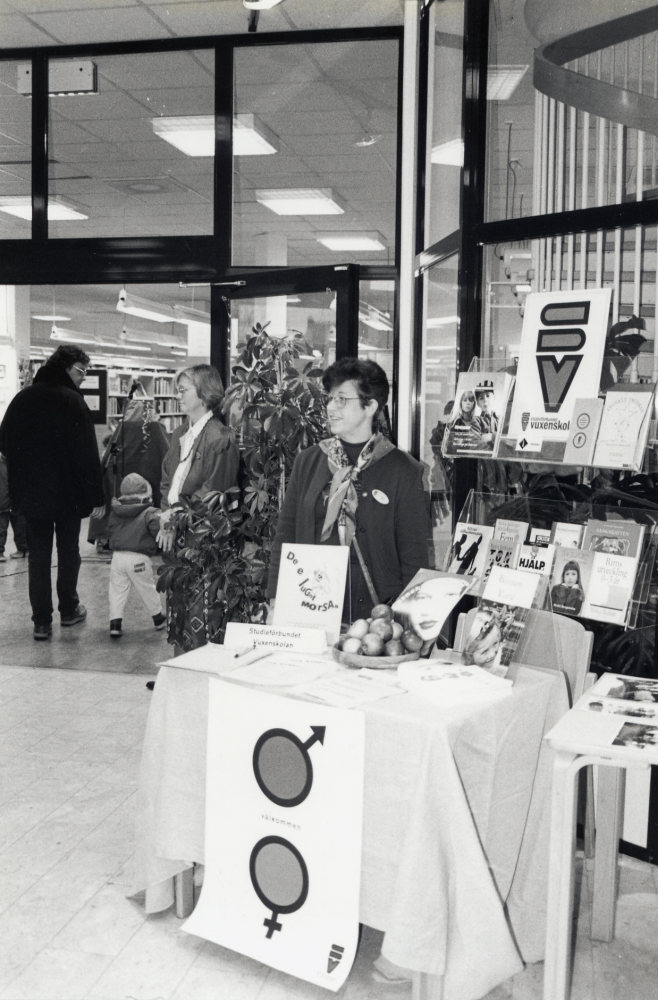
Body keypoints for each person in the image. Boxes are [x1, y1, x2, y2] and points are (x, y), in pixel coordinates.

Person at [266, 357, 430, 623]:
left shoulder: (403, 471)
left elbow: (413, 555)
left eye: (342, 399)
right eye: (330, 398)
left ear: (370, 406)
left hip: (377, 616)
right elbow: (285, 533)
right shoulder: (309, 461)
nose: (331, 407)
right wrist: (275, 599)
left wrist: (410, 622)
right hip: (310, 604)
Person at [0, 345, 105, 640]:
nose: (84, 377)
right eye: (81, 371)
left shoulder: (23, 399)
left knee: (38, 556)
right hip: (68, 494)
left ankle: (41, 622)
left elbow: (4, 443)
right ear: (67, 368)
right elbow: (87, 454)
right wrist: (96, 495)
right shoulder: (73, 401)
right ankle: (69, 610)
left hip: (32, 494)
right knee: (69, 551)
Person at [157, 364, 240, 553]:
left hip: (205, 538)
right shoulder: (179, 433)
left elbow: (213, 493)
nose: (178, 396)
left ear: (204, 393)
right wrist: (167, 515)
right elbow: (167, 479)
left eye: (183, 390)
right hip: (176, 530)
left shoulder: (221, 437)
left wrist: (174, 518)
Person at [107, 473, 165, 639]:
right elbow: (157, 533)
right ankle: (158, 618)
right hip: (139, 559)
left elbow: (109, 530)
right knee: (147, 588)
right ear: (146, 493)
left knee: (117, 591)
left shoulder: (115, 512)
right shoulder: (150, 513)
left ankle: (115, 624)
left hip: (117, 558)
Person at [0, 454, 27, 561]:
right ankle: (23, 549)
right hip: (15, 502)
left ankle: (1, 551)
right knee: (19, 525)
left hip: (4, 502)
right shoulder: (19, 463)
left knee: (2, 526)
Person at [472, 379, 498, 448]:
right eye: (481, 398)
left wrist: (486, 437)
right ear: (477, 403)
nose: (485, 400)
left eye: (488, 396)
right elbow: (475, 442)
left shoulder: (500, 419)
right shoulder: (476, 420)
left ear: (494, 398)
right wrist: (493, 436)